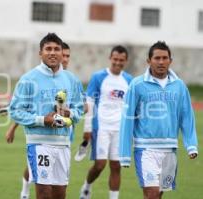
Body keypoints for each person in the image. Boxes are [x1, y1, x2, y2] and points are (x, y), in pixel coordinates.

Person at [119, 41, 198, 199]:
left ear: (170, 60)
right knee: (152, 193)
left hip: (170, 150)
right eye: (157, 58)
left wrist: (191, 145)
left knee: (158, 194)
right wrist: (124, 153)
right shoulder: (137, 85)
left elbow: (187, 116)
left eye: (164, 58)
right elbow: (127, 120)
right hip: (146, 150)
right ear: (149, 61)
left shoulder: (179, 86)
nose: (161, 62)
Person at [9, 33, 84, 199]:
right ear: (40, 53)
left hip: (63, 145)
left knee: (60, 194)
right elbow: (15, 111)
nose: (52, 52)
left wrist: (68, 114)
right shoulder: (28, 79)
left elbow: (79, 111)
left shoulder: (72, 80)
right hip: (39, 144)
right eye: (48, 49)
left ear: (61, 53)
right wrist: (43, 120)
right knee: (43, 194)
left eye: (56, 49)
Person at [79, 45, 133, 199]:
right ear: (110, 58)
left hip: (120, 130)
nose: (118, 62)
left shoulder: (129, 80)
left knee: (116, 166)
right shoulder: (98, 77)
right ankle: (86, 187)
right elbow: (89, 101)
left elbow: (132, 106)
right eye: (115, 59)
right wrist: (87, 127)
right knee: (100, 165)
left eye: (121, 60)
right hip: (101, 128)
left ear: (126, 61)